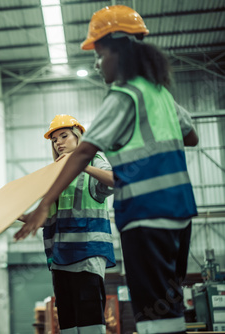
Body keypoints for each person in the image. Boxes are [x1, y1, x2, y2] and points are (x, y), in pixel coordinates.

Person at [15, 5, 199, 334]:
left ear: (120, 49)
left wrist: (44, 204)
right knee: (167, 304)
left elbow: (85, 152)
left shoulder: (123, 95)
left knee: (150, 311)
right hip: (180, 213)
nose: (98, 65)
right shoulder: (161, 94)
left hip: (144, 214)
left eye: (99, 55)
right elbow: (192, 136)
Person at [21, 115, 116, 333]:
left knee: (90, 321)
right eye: (54, 140)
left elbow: (114, 179)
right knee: (68, 325)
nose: (59, 143)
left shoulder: (94, 159)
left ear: (78, 136)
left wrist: (80, 164)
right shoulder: (55, 173)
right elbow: (48, 218)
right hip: (60, 259)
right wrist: (16, 216)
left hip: (87, 255)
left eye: (64, 136)